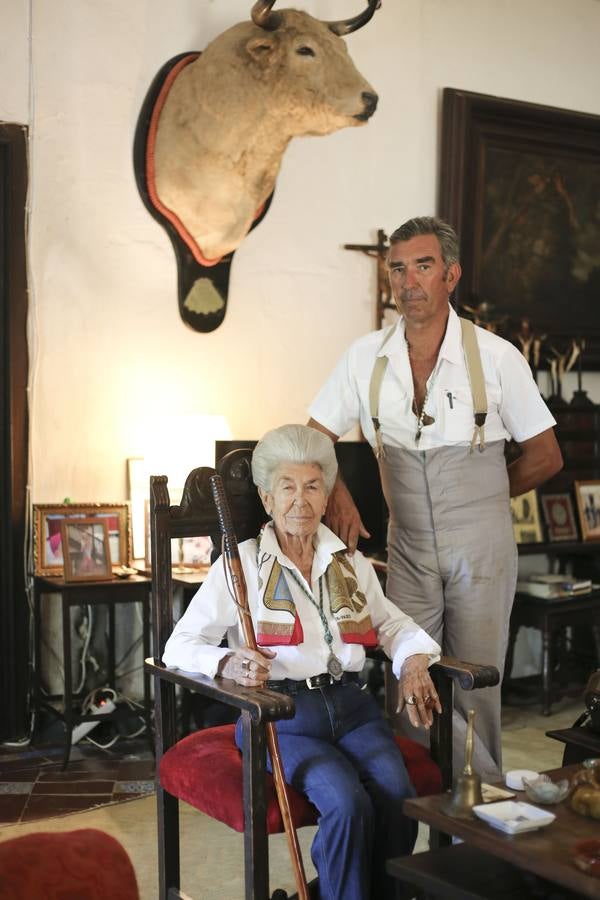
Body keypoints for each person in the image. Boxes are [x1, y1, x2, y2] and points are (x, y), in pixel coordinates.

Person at [307, 216, 563, 781]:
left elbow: (546, 456)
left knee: (474, 679)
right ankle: (414, 812)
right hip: (409, 545)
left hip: (482, 543)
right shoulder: (364, 357)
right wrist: (338, 495)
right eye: (398, 268)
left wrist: (488, 498)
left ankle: (476, 830)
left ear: (451, 274)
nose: (408, 281)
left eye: (422, 266)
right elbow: (311, 441)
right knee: (410, 677)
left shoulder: (497, 357)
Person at [163, 424, 442, 900]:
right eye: (287, 488)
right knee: (346, 802)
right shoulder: (241, 564)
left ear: (326, 493)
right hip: (281, 714)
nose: (301, 500)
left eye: (312, 486)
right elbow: (179, 645)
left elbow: (392, 625)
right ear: (267, 499)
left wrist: (415, 660)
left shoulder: (347, 561)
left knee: (397, 792)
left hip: (352, 707)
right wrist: (228, 662)